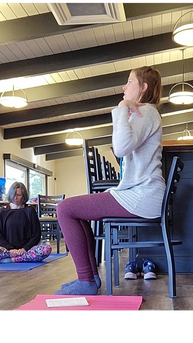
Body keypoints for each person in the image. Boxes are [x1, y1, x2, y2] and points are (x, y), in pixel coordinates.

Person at [55, 66, 165, 295]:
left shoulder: (147, 113)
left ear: (143, 88)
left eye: (129, 82)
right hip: (140, 193)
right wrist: (126, 111)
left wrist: (122, 108)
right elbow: (122, 147)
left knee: (64, 208)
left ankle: (86, 279)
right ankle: (90, 277)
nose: (124, 87)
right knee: (76, 211)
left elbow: (121, 148)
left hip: (142, 196)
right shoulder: (143, 114)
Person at [0, 181, 52, 263]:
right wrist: (10, 249)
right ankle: (18, 258)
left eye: (19, 195)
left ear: (23, 196)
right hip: (7, 251)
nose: (15, 197)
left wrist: (24, 249)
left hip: (26, 251)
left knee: (46, 249)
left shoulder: (30, 211)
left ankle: (13, 259)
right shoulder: (2, 211)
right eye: (13, 194)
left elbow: (36, 235)